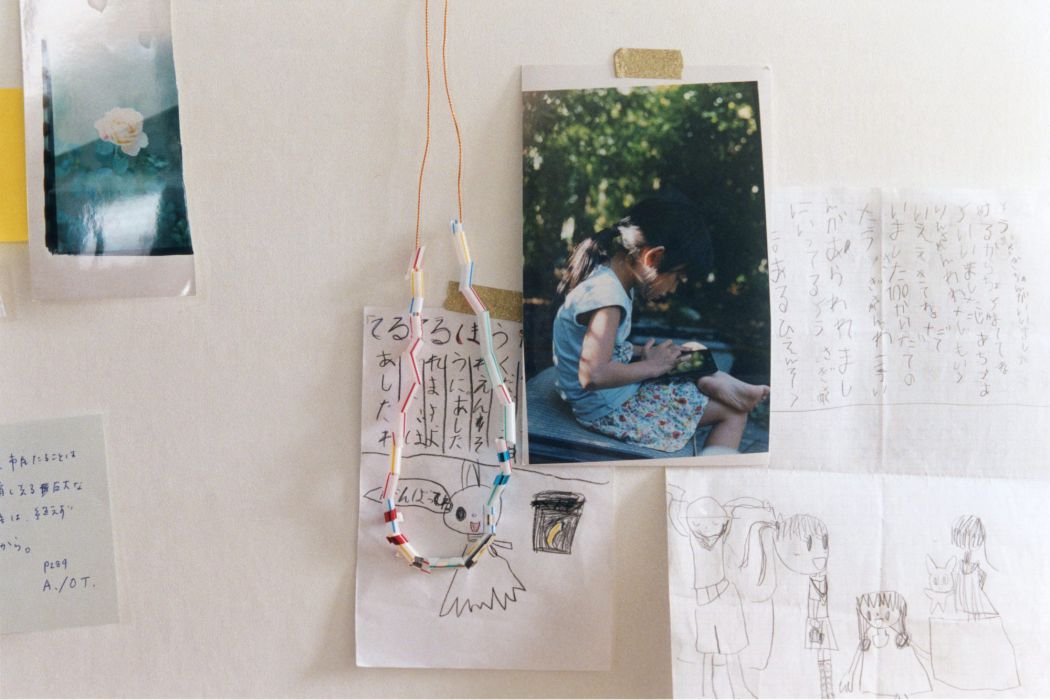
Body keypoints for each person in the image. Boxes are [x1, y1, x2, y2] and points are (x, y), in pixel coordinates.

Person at [552, 193, 768, 455]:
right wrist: (652, 367)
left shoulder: (610, 279)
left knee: (691, 350)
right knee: (734, 413)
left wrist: (644, 353)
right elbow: (593, 375)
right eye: (677, 277)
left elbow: (599, 347)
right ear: (653, 257)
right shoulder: (607, 297)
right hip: (607, 410)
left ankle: (712, 380)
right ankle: (710, 385)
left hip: (613, 396)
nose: (673, 288)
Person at [774, 514, 837, 698]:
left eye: (824, 543)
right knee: (814, 657)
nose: (821, 554)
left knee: (824, 655)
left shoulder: (821, 576)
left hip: (819, 622)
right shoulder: (794, 581)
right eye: (809, 545)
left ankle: (827, 691)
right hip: (811, 624)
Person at [840, 591, 931, 698]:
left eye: (887, 615)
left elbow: (912, 652)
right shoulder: (868, 635)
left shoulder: (896, 635)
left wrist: (930, 657)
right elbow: (859, 651)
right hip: (873, 679)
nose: (878, 619)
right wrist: (849, 674)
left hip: (894, 679)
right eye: (869, 615)